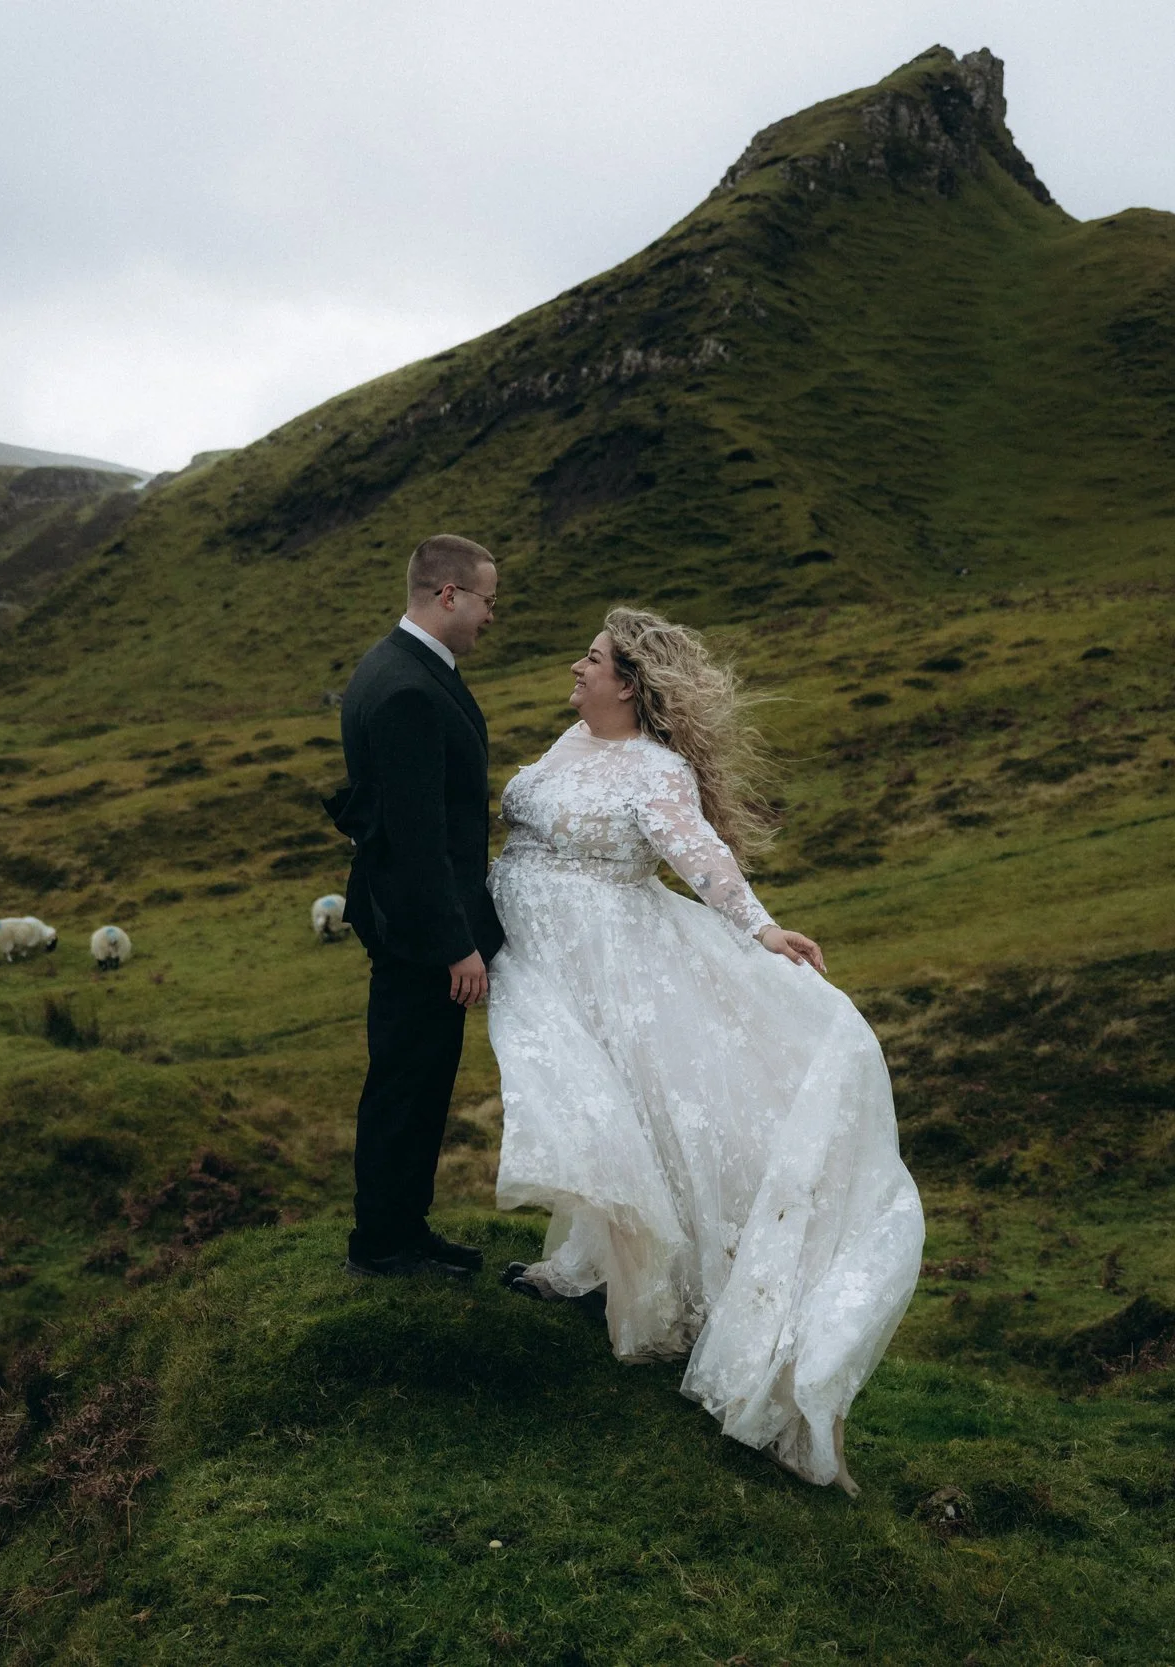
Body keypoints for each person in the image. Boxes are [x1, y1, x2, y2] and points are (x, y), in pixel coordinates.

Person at [487, 607, 923, 1493]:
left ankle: (677, 1296)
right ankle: (586, 1263)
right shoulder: (571, 740)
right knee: (599, 1108)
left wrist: (762, 930)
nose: (577, 666)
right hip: (546, 952)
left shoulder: (656, 770)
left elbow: (705, 859)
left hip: (611, 962)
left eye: (595, 659)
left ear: (630, 685)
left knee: (624, 1108)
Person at [327, 534, 505, 1278]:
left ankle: (405, 1225)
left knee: (419, 1076)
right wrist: (454, 943)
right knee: (407, 1079)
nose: (492, 617)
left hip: (403, 917)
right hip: (416, 929)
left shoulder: (394, 665)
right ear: (448, 595)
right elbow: (416, 834)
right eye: (487, 600)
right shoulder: (405, 688)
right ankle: (384, 1243)